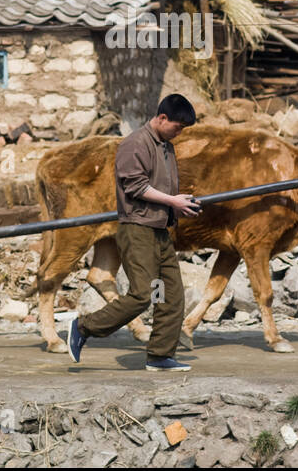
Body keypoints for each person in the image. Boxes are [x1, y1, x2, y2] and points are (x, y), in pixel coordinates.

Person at [68, 94, 201, 372]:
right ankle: (83, 327)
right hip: (137, 230)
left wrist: (179, 205)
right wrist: (173, 201)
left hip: (160, 230)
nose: (180, 133)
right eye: (178, 126)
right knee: (143, 294)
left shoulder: (166, 146)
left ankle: (160, 356)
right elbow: (135, 187)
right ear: (162, 118)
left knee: (171, 295)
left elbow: (161, 187)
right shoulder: (134, 144)